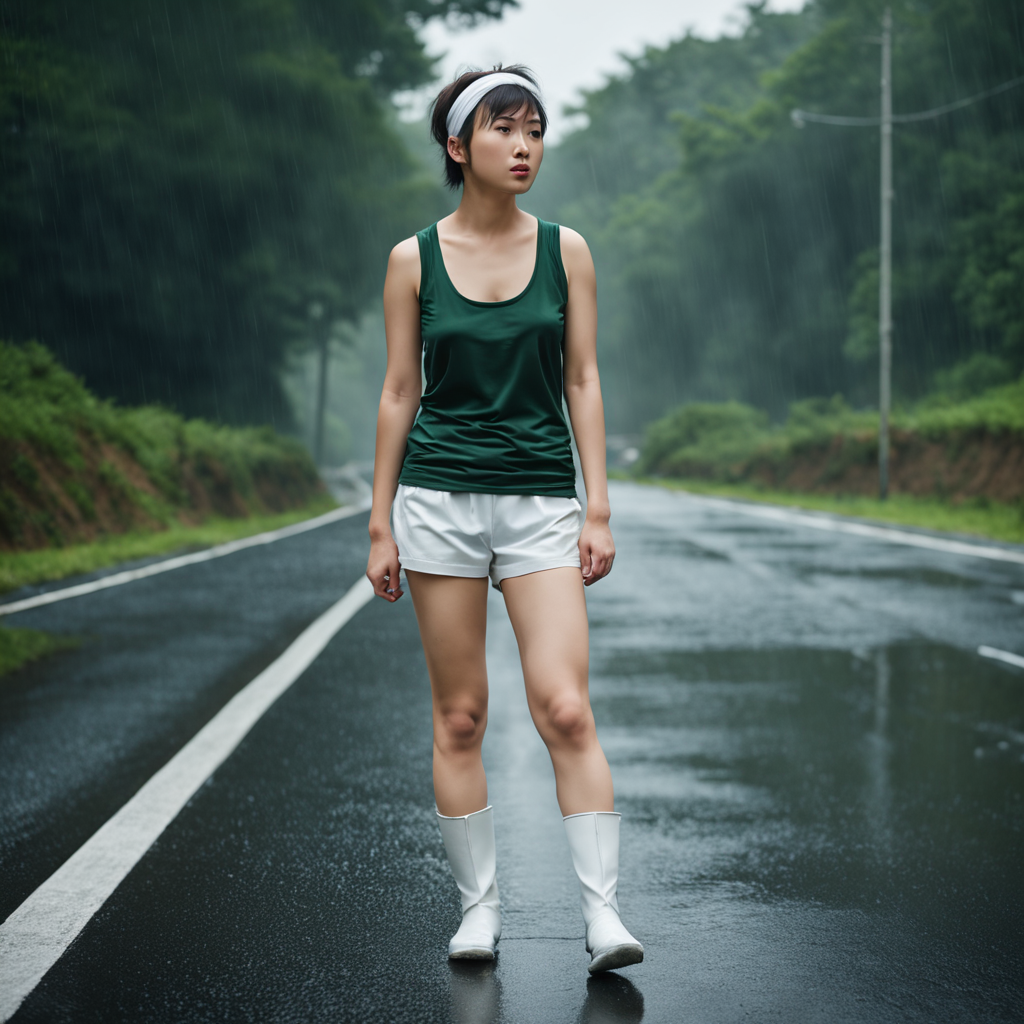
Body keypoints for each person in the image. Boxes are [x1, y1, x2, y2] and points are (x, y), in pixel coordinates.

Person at [365, 65, 643, 974]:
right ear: (458, 145)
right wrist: (380, 523)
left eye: (534, 130)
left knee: (565, 707)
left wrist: (597, 506)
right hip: (438, 501)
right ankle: (478, 912)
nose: (524, 147)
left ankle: (603, 917)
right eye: (503, 129)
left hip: (540, 503)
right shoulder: (413, 260)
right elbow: (399, 390)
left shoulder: (568, 251)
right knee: (461, 717)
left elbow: (582, 379)